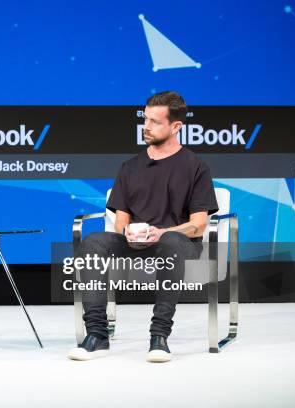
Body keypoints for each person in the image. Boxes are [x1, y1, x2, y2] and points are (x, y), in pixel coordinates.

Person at [67, 91, 218, 363]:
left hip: (178, 244)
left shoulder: (196, 167)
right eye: (145, 119)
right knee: (92, 243)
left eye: (155, 122)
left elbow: (198, 225)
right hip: (136, 243)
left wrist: (164, 232)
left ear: (176, 126)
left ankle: (159, 337)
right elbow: (121, 217)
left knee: (171, 242)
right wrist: (128, 231)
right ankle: (97, 335)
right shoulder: (130, 166)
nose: (146, 127)